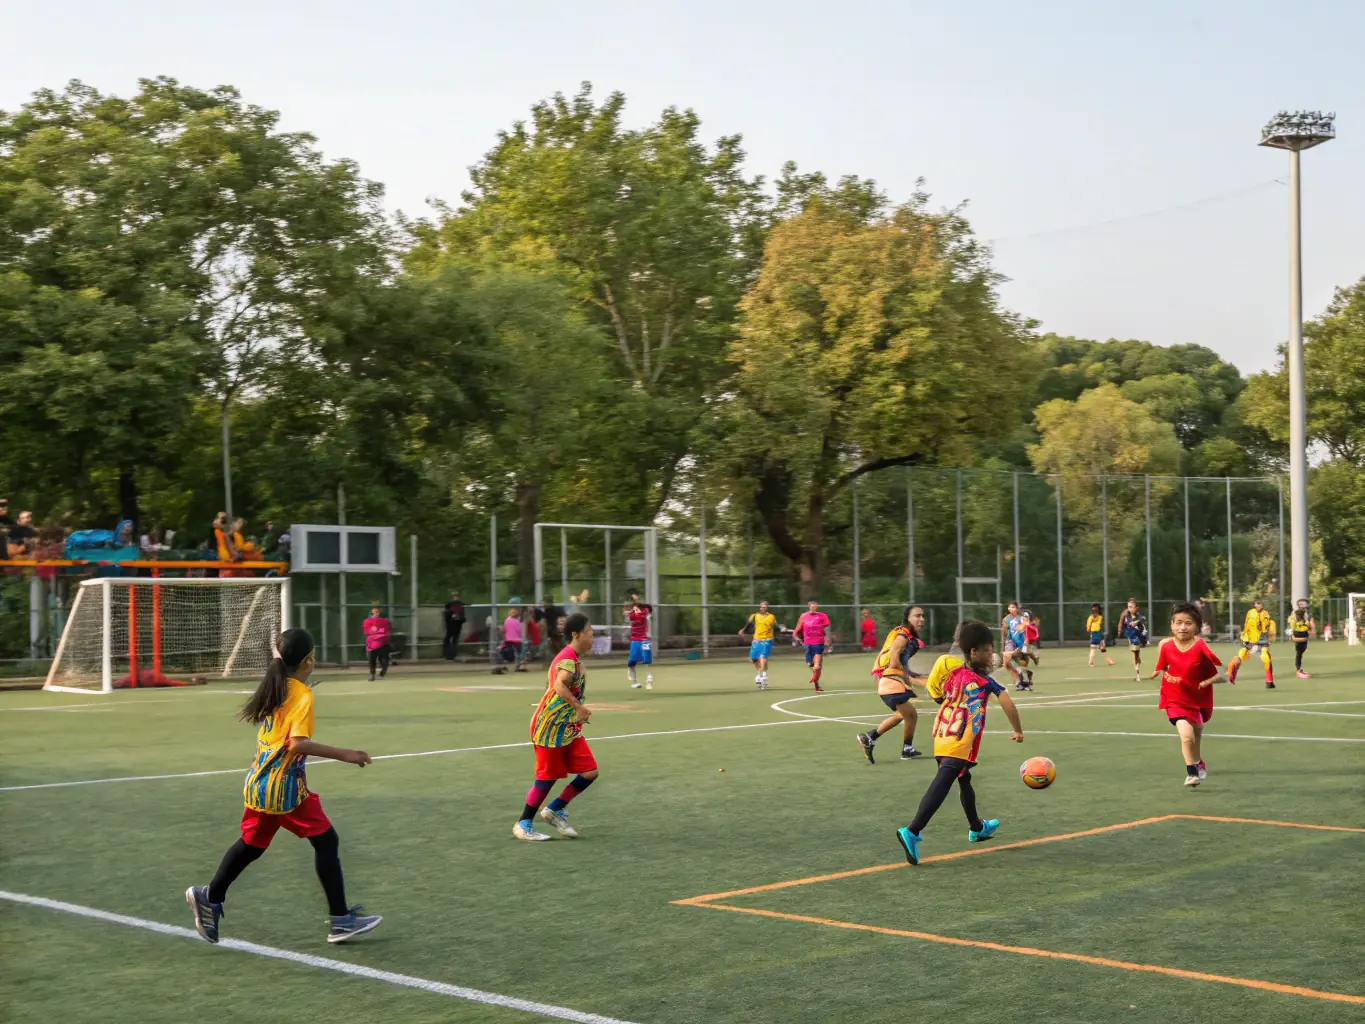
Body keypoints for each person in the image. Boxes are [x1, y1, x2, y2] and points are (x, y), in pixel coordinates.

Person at [184, 628, 380, 944]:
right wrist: (346, 753)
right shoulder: (300, 694)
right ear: (308, 660)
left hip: (259, 782)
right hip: (284, 790)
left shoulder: (275, 686)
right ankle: (341, 920)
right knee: (326, 842)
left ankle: (210, 896)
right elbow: (296, 744)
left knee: (252, 844)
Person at [895, 620, 1025, 865]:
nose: (991, 655)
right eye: (987, 650)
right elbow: (1007, 702)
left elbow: (941, 694)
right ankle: (912, 830)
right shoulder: (985, 682)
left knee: (964, 779)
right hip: (959, 740)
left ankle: (977, 827)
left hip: (942, 734)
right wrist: (1018, 730)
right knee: (943, 782)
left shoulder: (954, 674)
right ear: (974, 652)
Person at [513, 613, 599, 841]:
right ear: (576, 635)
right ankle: (523, 824)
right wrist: (579, 707)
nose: (592, 638)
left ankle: (554, 809)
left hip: (567, 728)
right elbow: (560, 685)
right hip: (550, 728)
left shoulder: (573, 659)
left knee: (589, 771)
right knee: (546, 778)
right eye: (590, 634)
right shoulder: (568, 659)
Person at [1151, 602, 1229, 787]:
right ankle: (1191, 773)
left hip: (1195, 700)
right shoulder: (1165, 645)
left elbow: (1219, 674)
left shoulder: (1200, 647)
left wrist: (1212, 680)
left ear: (1197, 627)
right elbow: (1164, 663)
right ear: (1171, 625)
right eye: (1178, 622)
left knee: (1196, 736)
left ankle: (1198, 762)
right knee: (1187, 736)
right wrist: (1158, 671)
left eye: (1188, 623)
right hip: (1174, 700)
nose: (1182, 627)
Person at [857, 605, 927, 763]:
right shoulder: (903, 634)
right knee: (910, 714)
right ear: (908, 618)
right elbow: (894, 655)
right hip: (889, 679)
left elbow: (897, 659)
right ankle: (902, 747)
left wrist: (911, 675)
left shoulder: (906, 635)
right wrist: (905, 676)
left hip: (886, 678)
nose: (921, 619)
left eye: (922, 616)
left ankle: (871, 737)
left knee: (907, 714)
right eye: (917, 616)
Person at [1227, 597, 1276, 688]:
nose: (1258, 605)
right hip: (1250, 638)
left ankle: (1269, 681)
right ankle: (1231, 674)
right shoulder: (1251, 613)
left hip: (1261, 639)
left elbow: (1266, 627)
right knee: (1240, 657)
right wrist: (1245, 638)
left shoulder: (1265, 614)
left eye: (1260, 603)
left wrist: (1269, 635)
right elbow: (1247, 626)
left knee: (1266, 656)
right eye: (1256, 603)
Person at [794, 599, 832, 692]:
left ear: (817, 607)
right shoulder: (804, 616)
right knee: (810, 664)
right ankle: (816, 677)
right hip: (807, 643)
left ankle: (816, 683)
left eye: (815, 607)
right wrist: (795, 636)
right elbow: (798, 628)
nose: (813, 608)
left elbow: (827, 629)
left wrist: (827, 641)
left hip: (818, 642)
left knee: (817, 664)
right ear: (809, 607)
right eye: (812, 607)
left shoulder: (822, 616)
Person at [739, 600, 777, 689]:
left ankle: (763, 675)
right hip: (757, 639)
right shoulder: (754, 616)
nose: (763, 608)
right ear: (760, 607)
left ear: (767, 608)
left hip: (767, 639)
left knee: (763, 657)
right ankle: (760, 673)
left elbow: (776, 627)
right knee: (753, 658)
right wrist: (742, 630)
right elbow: (748, 624)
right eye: (762, 607)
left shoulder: (772, 617)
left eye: (765, 607)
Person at [625, 593, 654, 690]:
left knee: (645, 661)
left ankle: (648, 679)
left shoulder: (644, 611)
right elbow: (630, 615)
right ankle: (636, 681)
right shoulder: (633, 613)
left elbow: (646, 610)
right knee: (633, 662)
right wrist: (634, 605)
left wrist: (636, 602)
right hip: (638, 640)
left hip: (643, 640)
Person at [1117, 598, 1149, 682]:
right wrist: (1119, 630)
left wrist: (1146, 638)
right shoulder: (1125, 615)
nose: (1130, 608)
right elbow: (1122, 621)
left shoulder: (1139, 616)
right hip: (1129, 636)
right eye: (1129, 607)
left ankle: (1137, 674)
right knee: (1134, 653)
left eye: (1132, 607)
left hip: (1137, 636)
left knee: (1135, 653)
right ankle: (1137, 665)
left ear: (1136, 608)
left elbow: (1143, 621)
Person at [363, 604, 392, 681]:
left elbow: (387, 631)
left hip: (383, 643)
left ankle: (382, 673)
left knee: (384, 660)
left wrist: (377, 632)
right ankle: (372, 674)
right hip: (372, 644)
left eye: (377, 611)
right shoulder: (367, 621)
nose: (376, 612)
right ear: (371, 612)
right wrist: (379, 632)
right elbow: (367, 631)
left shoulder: (385, 621)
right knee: (372, 659)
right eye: (374, 611)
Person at [998, 601, 1024, 685]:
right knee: (1009, 661)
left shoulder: (1021, 619)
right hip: (1010, 641)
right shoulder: (1006, 619)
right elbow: (1004, 633)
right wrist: (1003, 646)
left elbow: (1024, 631)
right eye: (1009, 607)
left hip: (1019, 641)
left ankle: (1019, 677)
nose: (1011, 609)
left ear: (1017, 608)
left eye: (1013, 607)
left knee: (1011, 660)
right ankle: (1019, 675)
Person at [1287, 600, 1314, 679]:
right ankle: (1298, 670)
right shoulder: (1296, 619)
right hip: (1299, 636)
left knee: (1300, 653)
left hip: (1303, 636)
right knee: (1299, 653)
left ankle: (1299, 669)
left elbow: (1309, 629)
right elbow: (1293, 637)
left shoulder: (1305, 619)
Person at [497, 604, 527, 674]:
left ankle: (505, 665)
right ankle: (518, 666)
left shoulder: (506, 620)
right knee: (518, 653)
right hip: (517, 640)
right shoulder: (517, 621)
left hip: (508, 640)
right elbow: (519, 631)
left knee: (506, 651)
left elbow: (505, 630)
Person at [1018, 610, 1040, 690]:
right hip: (1019, 645)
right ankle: (1025, 680)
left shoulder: (1029, 626)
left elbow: (1035, 635)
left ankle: (1025, 680)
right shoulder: (1020, 625)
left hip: (1025, 645)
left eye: (1026, 617)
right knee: (1020, 663)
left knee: (1023, 662)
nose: (1024, 618)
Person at [442, 591, 466, 661]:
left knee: (453, 640)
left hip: (456, 626)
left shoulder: (460, 606)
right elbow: (447, 616)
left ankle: (451, 655)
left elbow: (462, 618)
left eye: (456, 596)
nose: (455, 598)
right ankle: (449, 655)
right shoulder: (451, 606)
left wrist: (457, 618)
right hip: (451, 626)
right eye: (454, 596)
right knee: (449, 639)